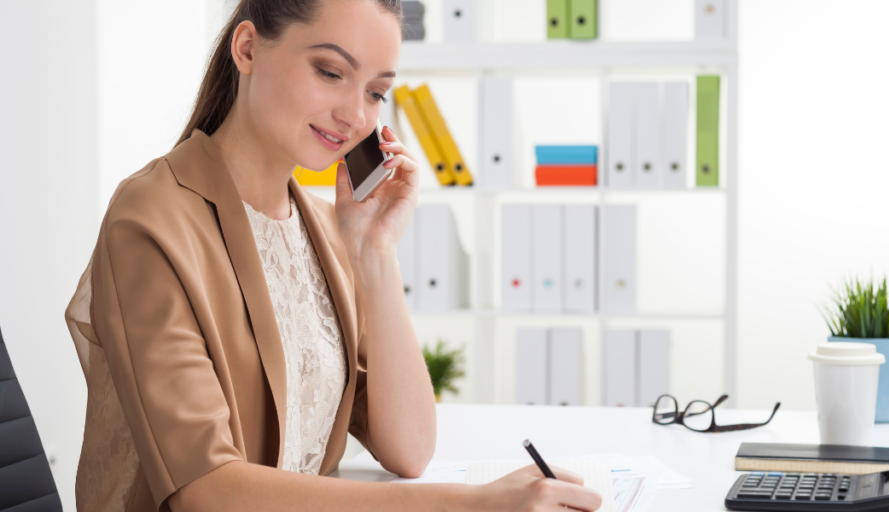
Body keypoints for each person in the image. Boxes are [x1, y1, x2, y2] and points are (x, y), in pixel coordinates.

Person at [64, 1, 602, 511]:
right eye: (330, 71)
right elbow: (204, 490)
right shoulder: (152, 219)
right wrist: (472, 503)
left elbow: (409, 448)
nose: (354, 116)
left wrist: (374, 254)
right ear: (248, 49)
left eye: (375, 92)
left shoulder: (325, 227)